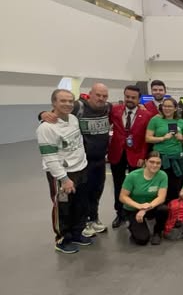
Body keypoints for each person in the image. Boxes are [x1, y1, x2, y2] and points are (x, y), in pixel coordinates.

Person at [40, 82, 111, 236]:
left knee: (95, 192)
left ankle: (93, 218)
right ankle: (75, 228)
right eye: (98, 95)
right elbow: (55, 115)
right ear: (89, 94)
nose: (101, 98)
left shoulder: (107, 108)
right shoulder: (78, 108)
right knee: (76, 198)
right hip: (81, 163)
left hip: (96, 161)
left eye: (104, 96)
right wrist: (42, 114)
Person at [37, 89, 91, 254]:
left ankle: (76, 233)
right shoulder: (46, 128)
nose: (67, 104)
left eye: (70, 101)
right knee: (63, 208)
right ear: (54, 103)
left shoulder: (73, 119)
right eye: (63, 101)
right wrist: (64, 178)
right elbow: (50, 158)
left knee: (80, 205)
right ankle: (62, 239)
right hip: (63, 175)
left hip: (81, 169)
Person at [107, 85, 153, 228]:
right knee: (118, 185)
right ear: (124, 96)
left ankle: (133, 212)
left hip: (136, 156)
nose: (130, 100)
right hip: (117, 153)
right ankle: (119, 213)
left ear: (139, 99)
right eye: (127, 97)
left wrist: (144, 157)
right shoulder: (114, 111)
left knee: (135, 187)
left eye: (133, 98)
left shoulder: (146, 115)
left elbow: (146, 139)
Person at [145, 98, 183, 201]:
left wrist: (182, 138)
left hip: (177, 158)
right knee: (159, 186)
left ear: (175, 108)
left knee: (175, 186)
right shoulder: (155, 120)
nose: (167, 108)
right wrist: (162, 138)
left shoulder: (181, 122)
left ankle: (174, 210)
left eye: (170, 106)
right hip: (160, 158)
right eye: (165, 106)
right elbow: (148, 138)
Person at [119, 151, 169, 245]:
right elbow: (122, 197)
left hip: (150, 207)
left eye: (158, 163)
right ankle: (131, 224)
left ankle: (157, 232)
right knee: (142, 240)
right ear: (146, 162)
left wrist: (145, 208)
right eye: (152, 162)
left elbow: (161, 197)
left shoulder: (162, 175)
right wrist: (139, 206)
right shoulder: (133, 176)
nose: (155, 165)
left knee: (163, 209)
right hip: (133, 208)